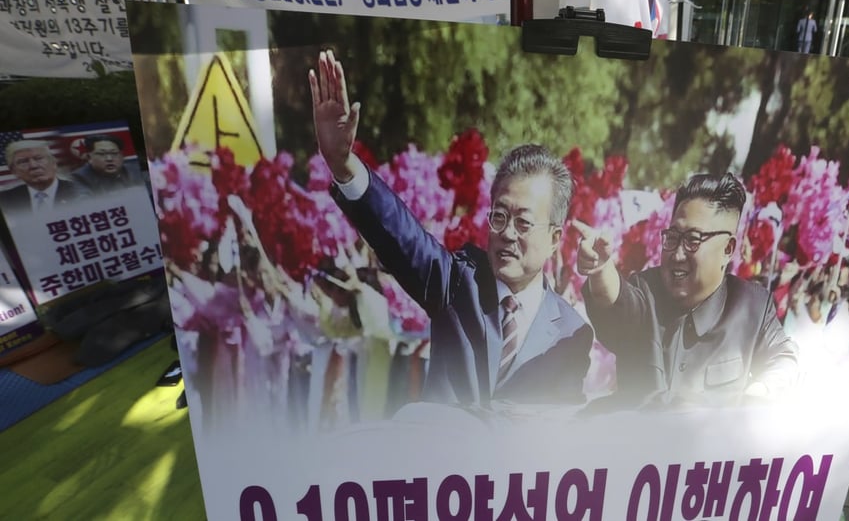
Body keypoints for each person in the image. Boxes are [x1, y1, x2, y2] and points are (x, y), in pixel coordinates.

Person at [310, 50, 593, 407]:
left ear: (555, 238)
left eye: (523, 222)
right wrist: (343, 163)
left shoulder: (571, 332)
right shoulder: (458, 285)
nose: (507, 233)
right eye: (500, 216)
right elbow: (400, 233)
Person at [575, 172, 798, 410]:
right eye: (672, 237)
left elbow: (783, 360)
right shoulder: (645, 290)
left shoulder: (753, 306)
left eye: (693, 240)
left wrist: (757, 396)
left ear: (728, 249)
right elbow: (617, 302)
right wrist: (601, 269)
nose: (677, 254)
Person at [0, 140, 87, 214]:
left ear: (53, 163)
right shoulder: (5, 200)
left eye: (39, 158)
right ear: (14, 171)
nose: (33, 166)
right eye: (23, 162)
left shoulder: (81, 190)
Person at [71, 134, 143, 194]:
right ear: (89, 158)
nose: (109, 159)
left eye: (114, 153)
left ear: (122, 156)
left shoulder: (135, 171)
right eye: (102, 154)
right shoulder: (78, 177)